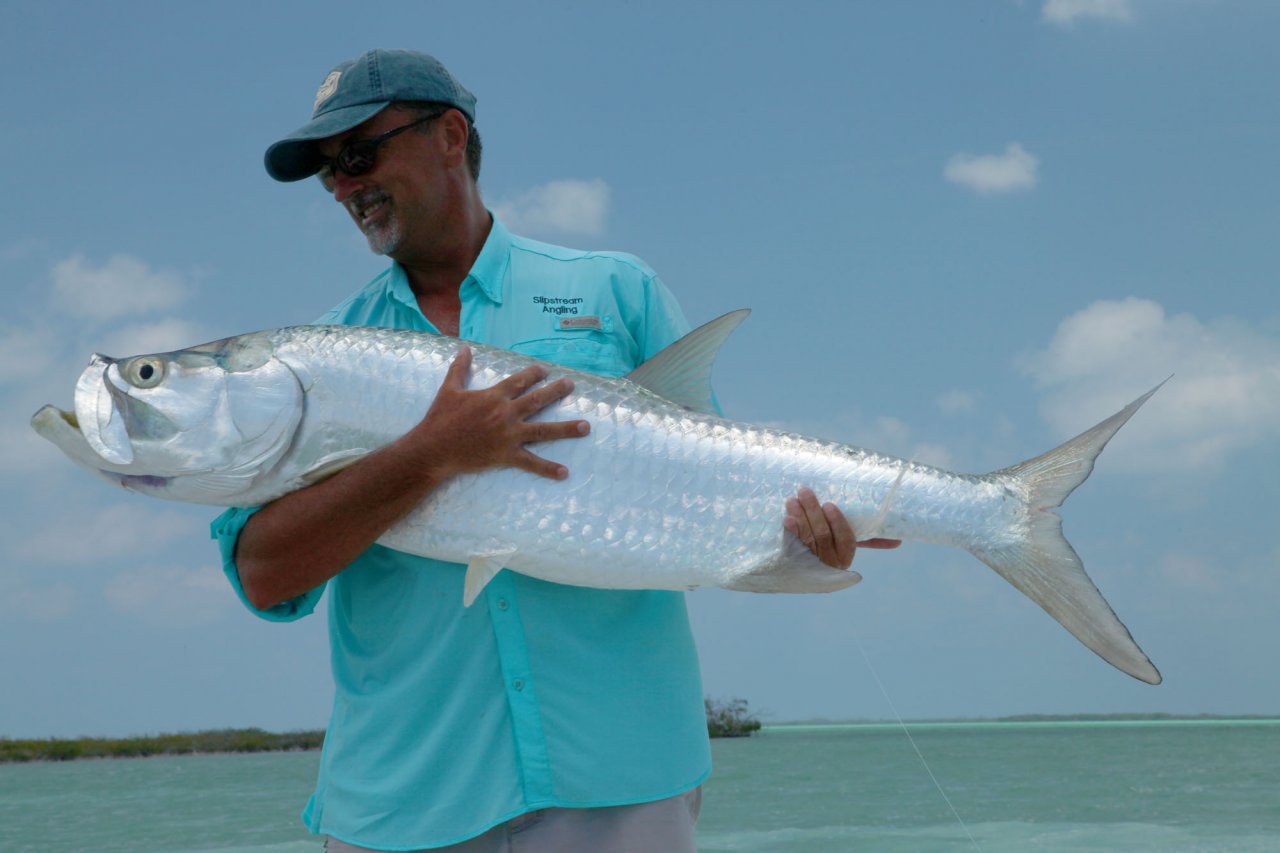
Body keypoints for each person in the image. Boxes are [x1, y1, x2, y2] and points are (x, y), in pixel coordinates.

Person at [213, 48, 897, 852]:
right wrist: (428, 454)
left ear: (450, 135)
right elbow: (263, 575)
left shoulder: (617, 290)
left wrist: (809, 541)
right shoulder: (314, 362)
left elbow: (717, 498)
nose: (343, 186)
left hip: (623, 776)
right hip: (404, 795)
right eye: (329, 172)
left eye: (358, 155)